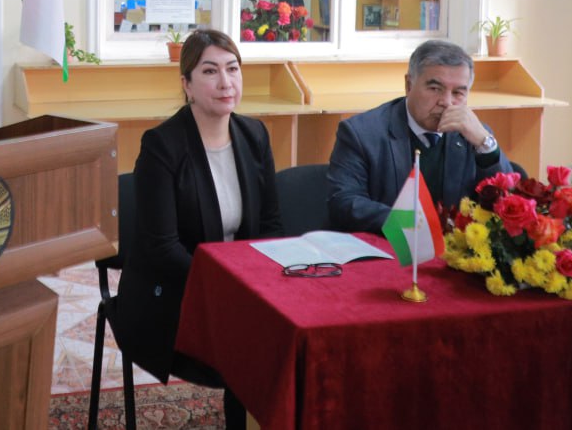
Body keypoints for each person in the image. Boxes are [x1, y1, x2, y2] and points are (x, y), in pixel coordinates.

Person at [113, 29, 281, 430]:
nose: (226, 82)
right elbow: (162, 249)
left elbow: (271, 224)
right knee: (254, 344)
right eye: (210, 71)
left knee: (292, 331)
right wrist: (230, 286)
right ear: (186, 84)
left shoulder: (254, 135)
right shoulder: (162, 146)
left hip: (237, 285)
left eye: (233, 69)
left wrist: (260, 280)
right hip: (174, 292)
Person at [327, 39, 512, 233]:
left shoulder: (475, 135)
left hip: (455, 255)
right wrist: (415, 224)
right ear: (408, 85)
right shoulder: (361, 133)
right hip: (388, 249)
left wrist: (486, 145)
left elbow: (509, 203)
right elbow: (344, 203)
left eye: (458, 93)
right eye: (435, 89)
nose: (446, 102)